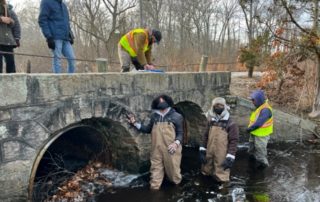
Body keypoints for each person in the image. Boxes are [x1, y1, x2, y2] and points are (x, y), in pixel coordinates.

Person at [127, 94, 183, 190]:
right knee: (155, 176)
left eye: (164, 108)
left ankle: (177, 190)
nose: (162, 110)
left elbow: (180, 133)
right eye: (160, 108)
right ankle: (154, 192)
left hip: (171, 149)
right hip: (156, 149)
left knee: (174, 174)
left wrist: (175, 143)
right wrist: (135, 123)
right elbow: (148, 129)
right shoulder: (154, 117)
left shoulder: (177, 116)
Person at [199, 97, 239, 183]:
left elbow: (234, 141)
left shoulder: (231, 123)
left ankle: (223, 192)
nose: (218, 107)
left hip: (222, 154)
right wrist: (202, 150)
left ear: (224, 107)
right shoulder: (211, 121)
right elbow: (205, 136)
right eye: (216, 105)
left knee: (222, 177)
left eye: (220, 105)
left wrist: (230, 157)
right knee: (206, 172)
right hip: (209, 152)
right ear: (212, 107)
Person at [38, 0, 76, 73]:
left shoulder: (63, 5)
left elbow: (66, 22)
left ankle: (70, 80)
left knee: (72, 59)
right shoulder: (46, 2)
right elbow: (42, 20)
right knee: (57, 60)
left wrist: (70, 34)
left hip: (66, 38)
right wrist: (48, 37)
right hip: (55, 37)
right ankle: (58, 82)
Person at [247, 90, 273, 169]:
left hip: (261, 135)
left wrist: (249, 129)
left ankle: (263, 168)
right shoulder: (260, 107)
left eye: (253, 100)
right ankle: (252, 162)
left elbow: (259, 123)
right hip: (255, 132)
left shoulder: (266, 110)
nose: (252, 102)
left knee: (261, 153)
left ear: (258, 100)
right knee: (252, 149)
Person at [0, 0, 20, 73]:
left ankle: (13, 82)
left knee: (11, 64)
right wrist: (1, 19)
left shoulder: (9, 10)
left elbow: (16, 25)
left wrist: (17, 38)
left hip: (8, 41)